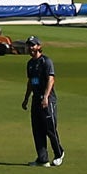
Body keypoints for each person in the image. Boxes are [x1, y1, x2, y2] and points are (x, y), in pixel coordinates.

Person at [22, 36, 62, 166]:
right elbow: (31, 82)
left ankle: (59, 153)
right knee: (37, 129)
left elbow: (51, 80)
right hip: (35, 99)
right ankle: (42, 159)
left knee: (50, 129)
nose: (30, 48)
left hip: (48, 100)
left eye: (33, 45)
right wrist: (26, 98)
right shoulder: (30, 64)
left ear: (39, 46)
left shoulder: (46, 62)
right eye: (29, 45)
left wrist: (46, 96)